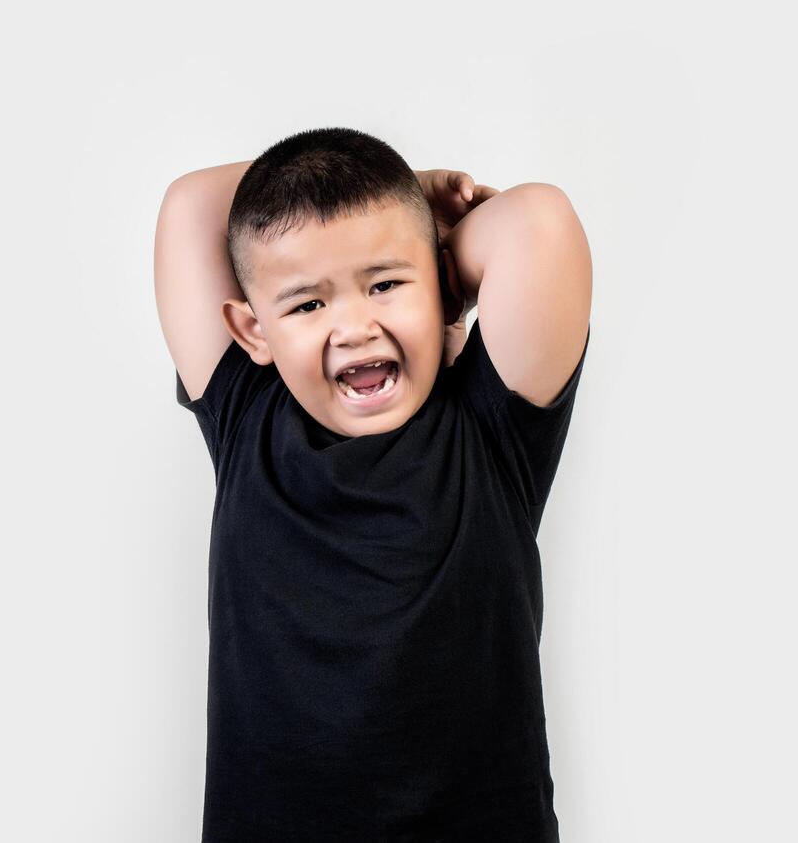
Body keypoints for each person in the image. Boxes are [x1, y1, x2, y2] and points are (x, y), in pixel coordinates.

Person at [153, 126, 593, 841]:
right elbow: (189, 205)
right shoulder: (245, 416)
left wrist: (408, 221)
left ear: (446, 289)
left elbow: (538, 222)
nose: (355, 326)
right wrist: (406, 192)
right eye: (306, 305)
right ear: (251, 331)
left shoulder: (490, 431)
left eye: (385, 284)